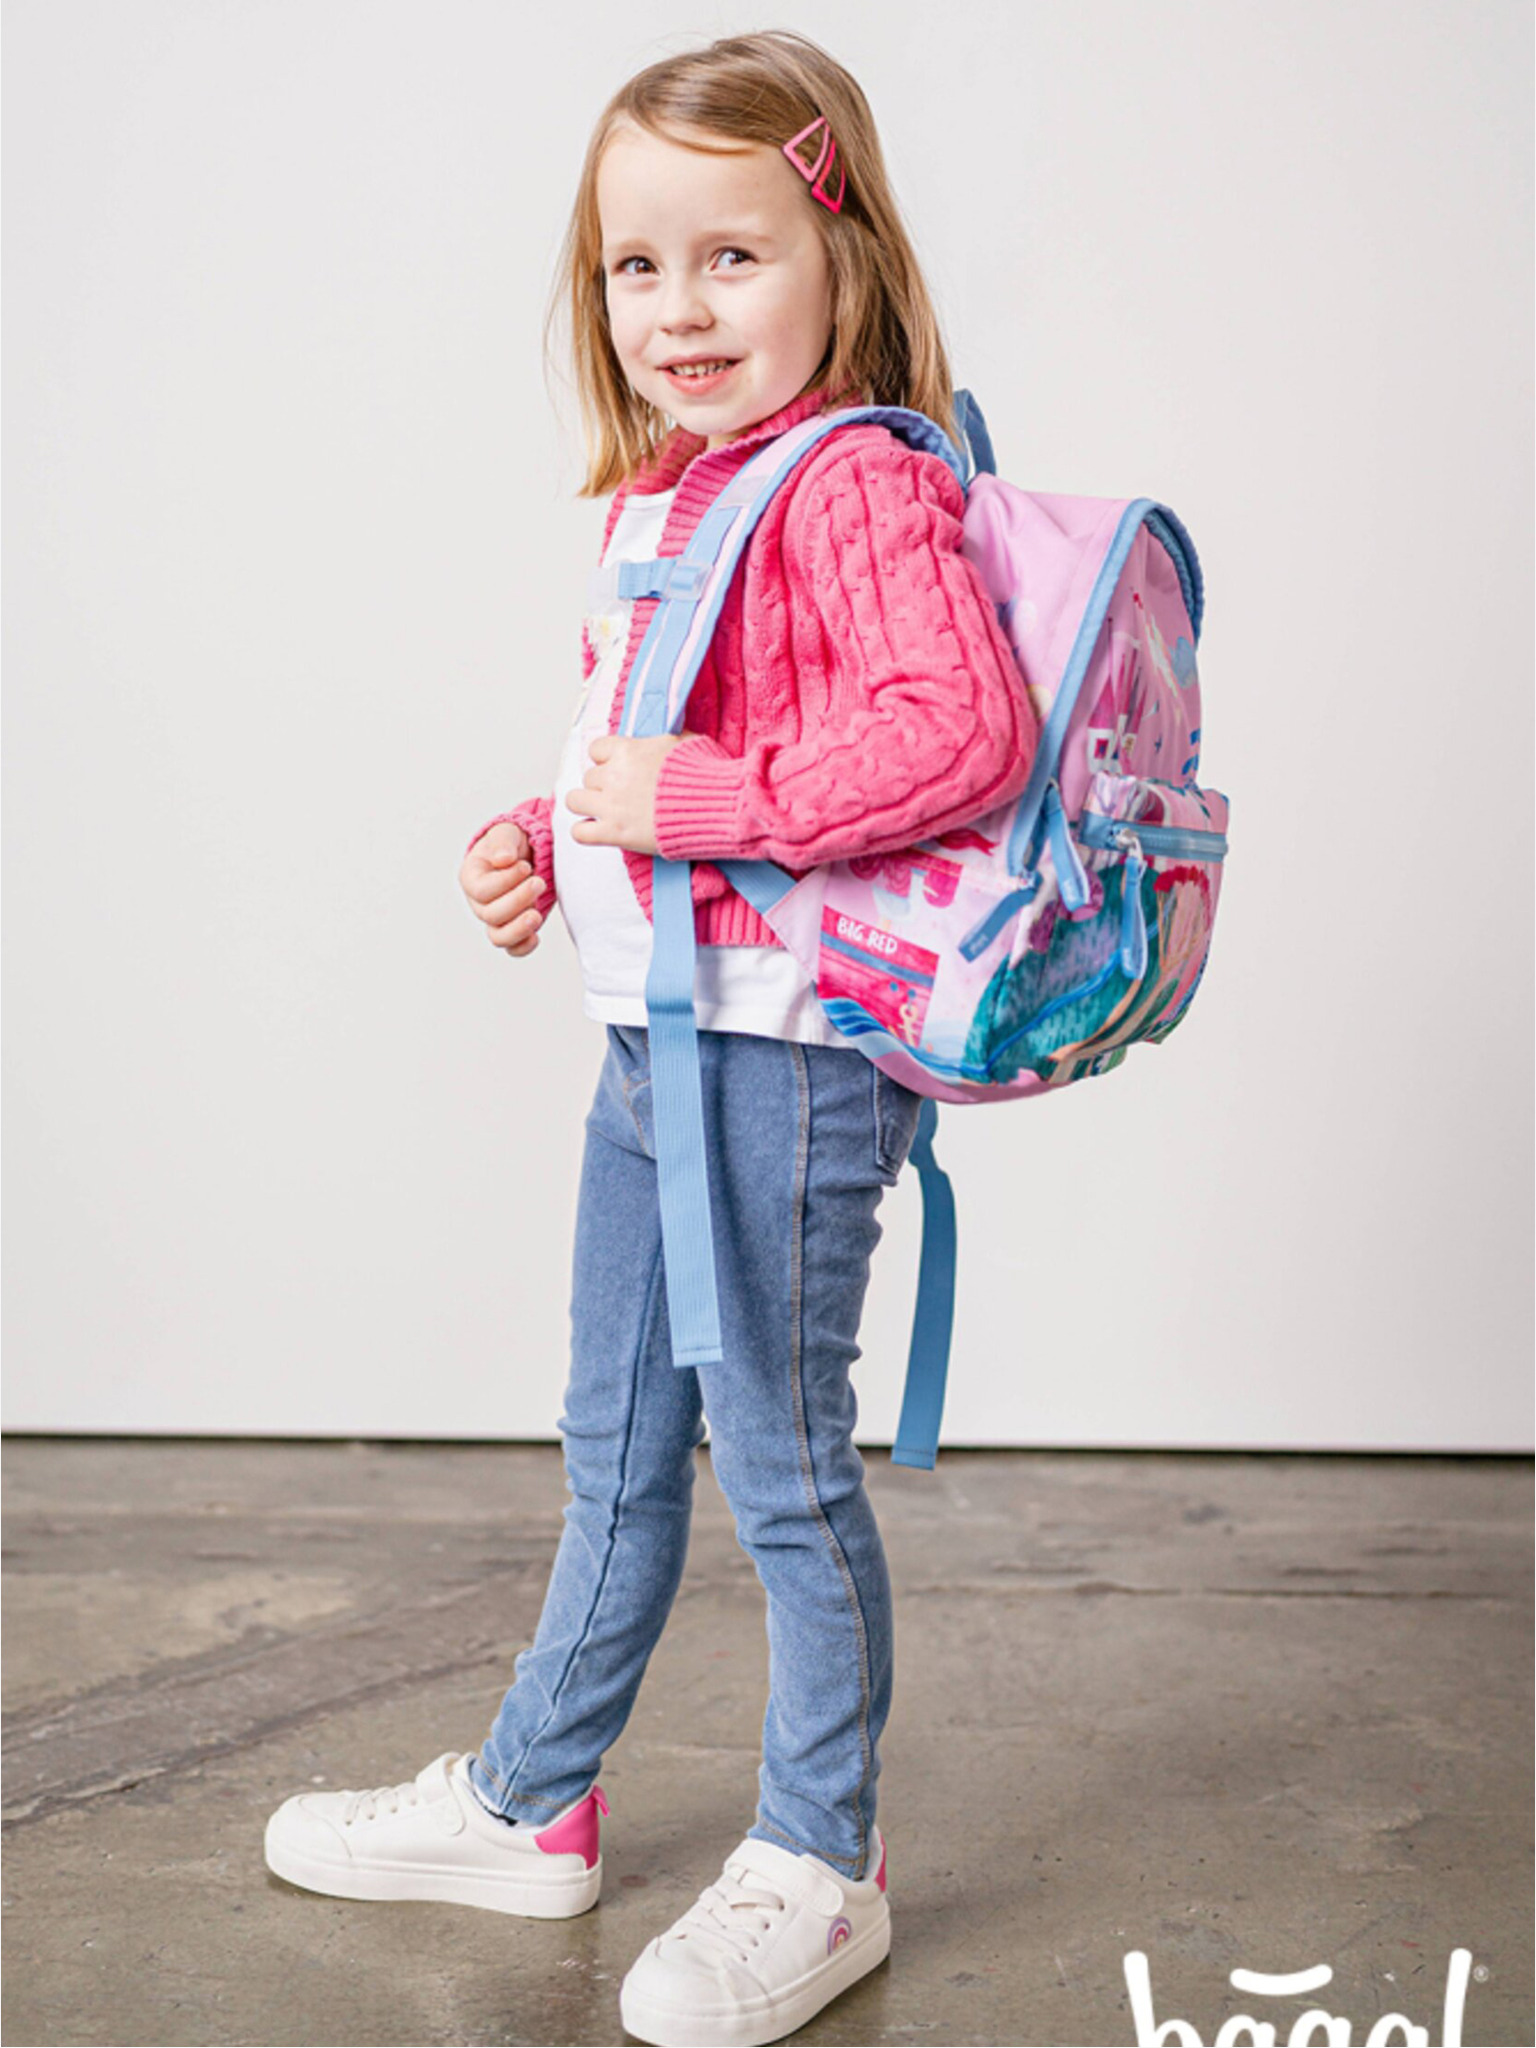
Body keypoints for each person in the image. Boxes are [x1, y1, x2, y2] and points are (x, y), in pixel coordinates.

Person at [264, 29, 1038, 2046]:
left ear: (844, 263)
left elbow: (959, 730)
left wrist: (695, 802)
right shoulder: (674, 495)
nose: (680, 306)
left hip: (787, 1067)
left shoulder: (857, 479)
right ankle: (533, 1799)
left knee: (780, 1463)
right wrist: (550, 839)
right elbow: (669, 743)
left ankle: (823, 1852)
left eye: (734, 255)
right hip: (654, 1052)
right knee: (612, 1447)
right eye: (637, 265)